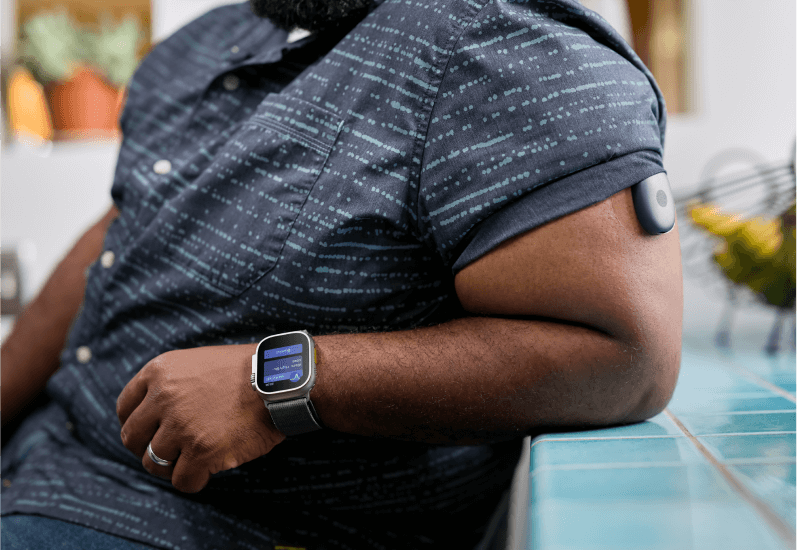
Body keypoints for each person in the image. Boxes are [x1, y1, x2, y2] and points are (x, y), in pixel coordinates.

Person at [1, 0, 684, 548]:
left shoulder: (505, 48)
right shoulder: (207, 44)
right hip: (41, 456)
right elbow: (127, 223)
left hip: (197, 521)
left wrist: (274, 385)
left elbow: (624, 357)